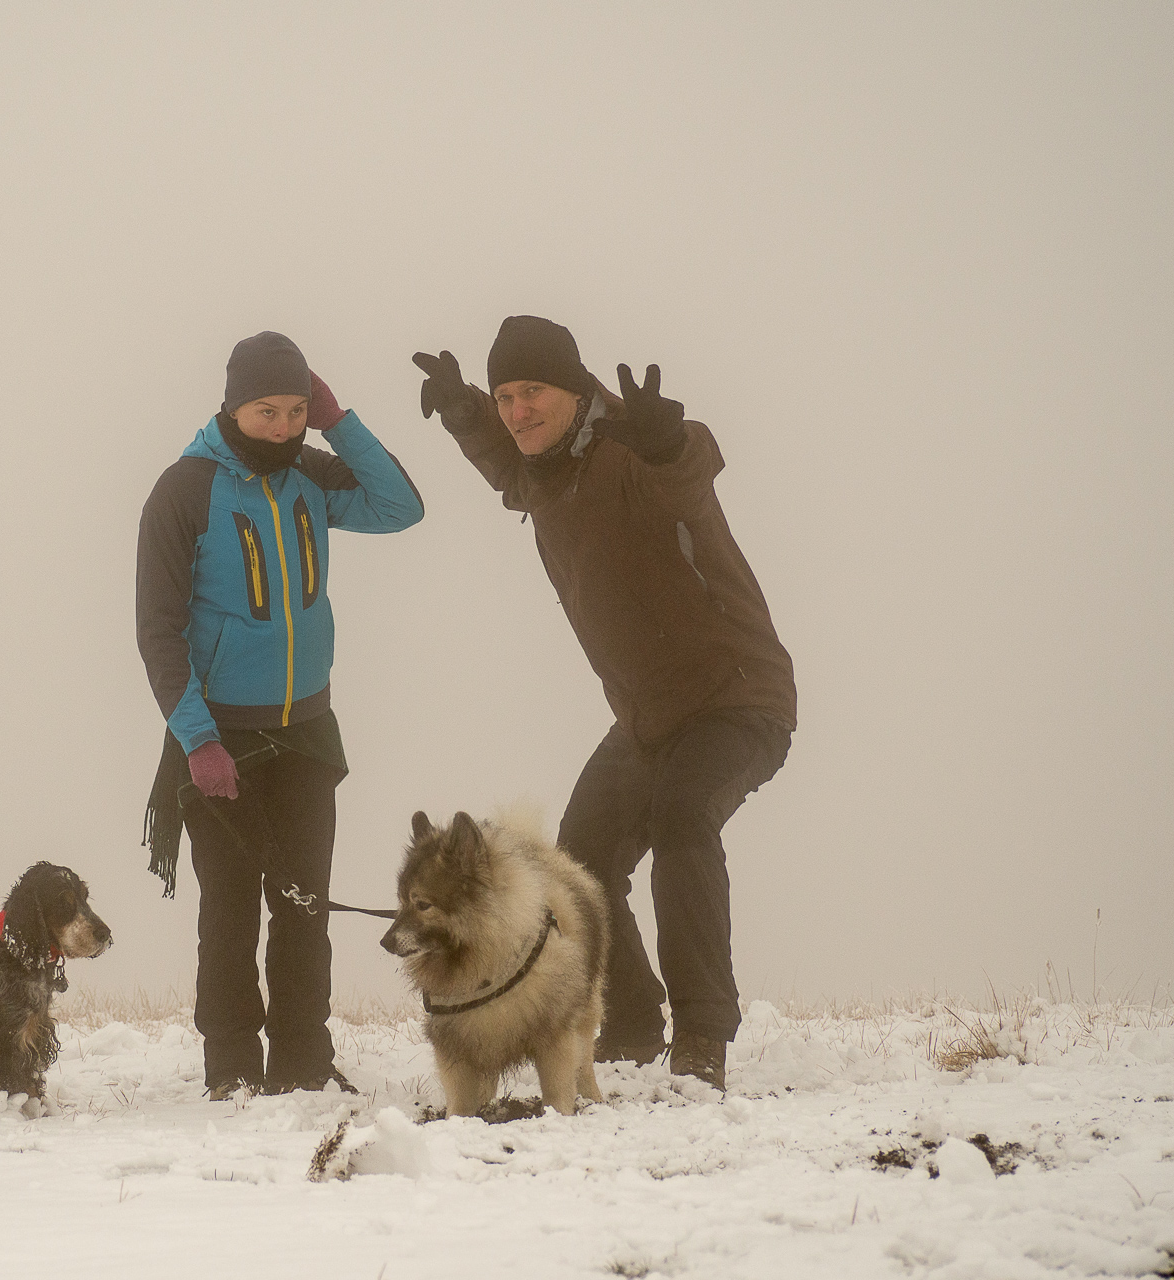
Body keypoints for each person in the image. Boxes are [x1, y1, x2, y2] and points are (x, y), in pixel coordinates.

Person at [412, 316, 795, 1092]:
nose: (517, 409)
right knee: (583, 862)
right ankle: (628, 1023)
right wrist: (464, 414)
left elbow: (690, 467)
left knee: (684, 818)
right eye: (505, 394)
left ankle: (701, 1036)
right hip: (647, 716)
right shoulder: (541, 472)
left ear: (577, 388)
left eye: (534, 392)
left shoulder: (632, 449)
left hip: (737, 696)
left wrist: (667, 440)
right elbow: (504, 460)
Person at [138, 331, 423, 1099]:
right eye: (269, 411)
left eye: (297, 411)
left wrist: (340, 421)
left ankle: (302, 1065)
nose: (284, 427)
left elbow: (401, 507)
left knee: (302, 911)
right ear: (233, 405)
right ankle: (230, 1068)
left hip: (307, 733)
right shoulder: (185, 490)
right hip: (220, 737)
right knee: (228, 914)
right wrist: (197, 741)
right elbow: (158, 632)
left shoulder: (309, 473)